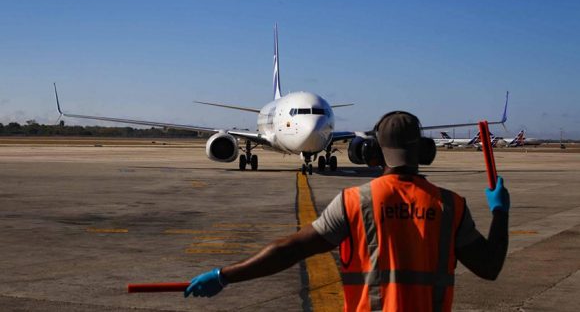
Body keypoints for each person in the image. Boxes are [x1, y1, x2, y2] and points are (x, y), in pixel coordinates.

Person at [184, 111, 510, 312]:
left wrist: (225, 275)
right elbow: (490, 267)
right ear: (424, 152)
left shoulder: (355, 201)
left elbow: (289, 250)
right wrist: (500, 212)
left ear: (374, 151)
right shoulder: (451, 205)